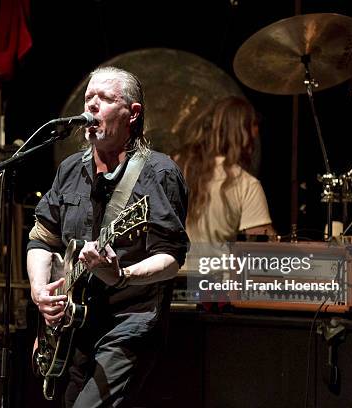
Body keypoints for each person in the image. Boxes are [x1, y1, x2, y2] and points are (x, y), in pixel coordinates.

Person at [26, 66, 189, 407]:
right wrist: (40, 291)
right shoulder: (70, 169)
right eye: (89, 98)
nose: (92, 106)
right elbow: (42, 238)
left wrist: (122, 274)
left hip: (130, 323)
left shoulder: (158, 173)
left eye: (105, 98)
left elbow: (172, 257)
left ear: (133, 113)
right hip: (75, 328)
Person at [175, 96, 275, 246]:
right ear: (243, 133)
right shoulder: (246, 184)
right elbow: (265, 245)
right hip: (218, 268)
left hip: (172, 268)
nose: (257, 131)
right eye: (254, 124)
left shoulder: (177, 166)